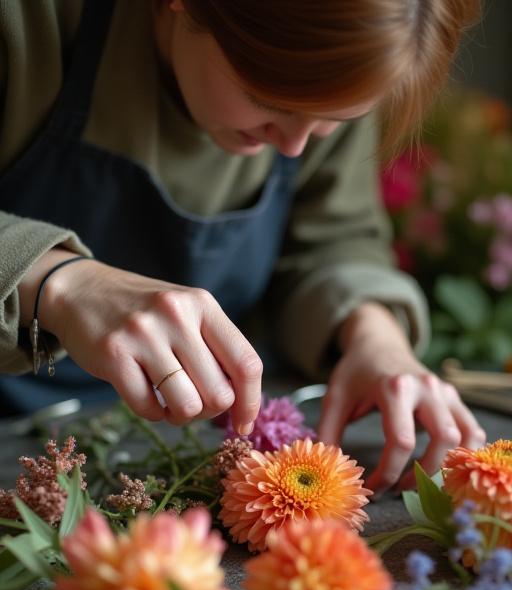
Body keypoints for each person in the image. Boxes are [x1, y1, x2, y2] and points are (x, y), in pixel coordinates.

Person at [0, 0, 485, 493]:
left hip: (163, 451)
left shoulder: (342, 62)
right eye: (270, 100)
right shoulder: (27, 21)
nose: (295, 146)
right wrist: (60, 282)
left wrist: (374, 338)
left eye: (331, 120)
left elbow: (331, 237)